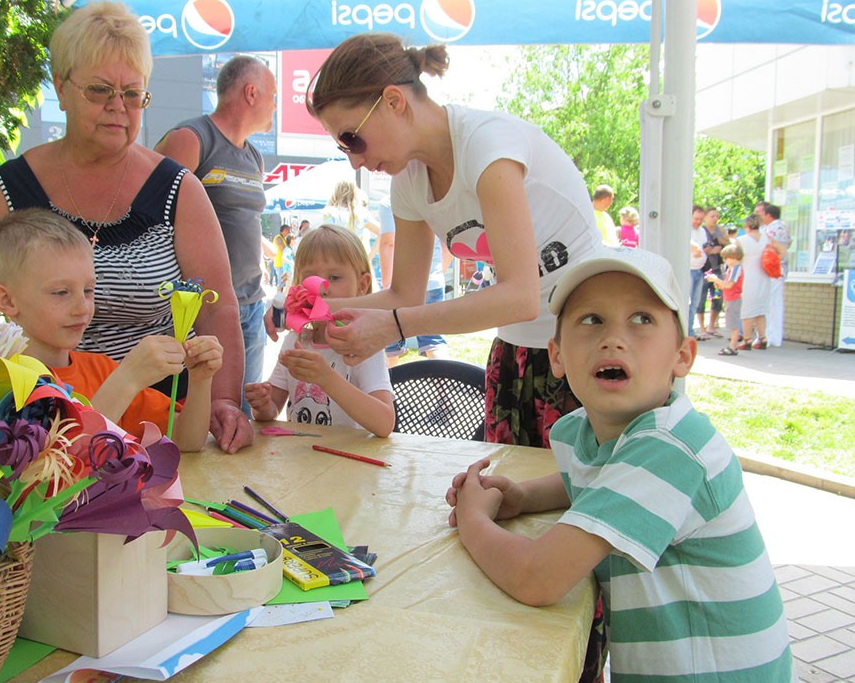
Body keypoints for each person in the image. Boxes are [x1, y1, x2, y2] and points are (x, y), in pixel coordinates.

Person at [0, 0, 252, 454]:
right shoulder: (13, 187)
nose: (118, 107)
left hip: (156, 420)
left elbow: (217, 302)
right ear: (61, 86)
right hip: (39, 420)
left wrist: (227, 401)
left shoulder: (177, 188)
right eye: (99, 90)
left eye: (133, 94)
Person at [446, 247, 805, 683]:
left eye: (641, 319)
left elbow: (538, 578)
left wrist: (472, 518)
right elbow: (598, 479)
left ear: (683, 356)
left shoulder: (673, 446)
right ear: (556, 355)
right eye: (591, 320)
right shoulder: (590, 432)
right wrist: (524, 495)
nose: (614, 338)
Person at [301, 32, 602, 448]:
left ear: (393, 101)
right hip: (516, 348)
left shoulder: (486, 144)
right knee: (509, 494)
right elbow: (405, 294)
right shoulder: (407, 181)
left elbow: (519, 295)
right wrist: (308, 312)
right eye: (343, 147)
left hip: (587, 347)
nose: (354, 159)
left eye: (352, 138)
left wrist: (392, 327)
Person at [0, 209, 222, 451]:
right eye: (61, 292)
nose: (82, 307)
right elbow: (55, 471)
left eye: (88, 290)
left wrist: (200, 380)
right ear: (7, 300)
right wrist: (127, 380)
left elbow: (186, 441)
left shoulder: (101, 370)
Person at [155, 54, 276, 415]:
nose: (275, 105)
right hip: (204, 311)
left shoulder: (255, 157)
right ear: (251, 92)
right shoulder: (191, 138)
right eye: (273, 96)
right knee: (198, 417)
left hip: (251, 307)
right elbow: (154, 219)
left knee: (239, 416)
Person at [245, 224, 394, 436]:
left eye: (334, 277)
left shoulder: (363, 346)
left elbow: (384, 423)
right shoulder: (296, 340)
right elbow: (271, 411)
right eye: (310, 278)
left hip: (352, 463)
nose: (321, 287)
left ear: (363, 284)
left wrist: (326, 378)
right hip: (304, 460)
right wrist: (261, 404)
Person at [376, 197, 450, 365]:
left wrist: (387, 283)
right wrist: (438, 274)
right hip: (432, 280)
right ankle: (444, 390)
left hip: (399, 285)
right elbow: (448, 244)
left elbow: (388, 243)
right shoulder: (432, 200)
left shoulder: (389, 201)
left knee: (390, 345)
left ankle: (388, 387)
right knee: (434, 342)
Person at [738, 212, 786, 351]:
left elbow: (735, 257)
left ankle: (747, 339)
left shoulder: (742, 240)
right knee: (761, 309)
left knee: (747, 310)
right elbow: (782, 250)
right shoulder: (767, 238)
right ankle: (762, 338)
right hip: (764, 277)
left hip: (748, 277)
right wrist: (775, 260)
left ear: (746, 225)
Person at [760, 202, 792, 346]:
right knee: (776, 304)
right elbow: (789, 243)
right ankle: (775, 337)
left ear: (768, 215)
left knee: (768, 303)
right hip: (780, 269)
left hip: (772, 269)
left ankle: (768, 335)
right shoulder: (783, 227)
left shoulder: (771, 229)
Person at [706, 242, 744, 355]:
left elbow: (729, 285)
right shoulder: (732, 269)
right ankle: (732, 345)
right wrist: (719, 284)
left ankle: (733, 346)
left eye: (726, 258)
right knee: (732, 323)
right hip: (730, 298)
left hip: (734, 299)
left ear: (733, 257)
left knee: (734, 324)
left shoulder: (736, 269)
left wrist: (715, 279)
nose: (725, 261)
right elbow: (726, 285)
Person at [698, 206, 729, 338]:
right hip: (704, 269)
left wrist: (722, 244)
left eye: (717, 216)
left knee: (717, 298)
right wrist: (709, 250)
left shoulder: (720, 230)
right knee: (701, 298)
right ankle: (701, 327)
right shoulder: (702, 231)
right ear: (705, 217)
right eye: (712, 216)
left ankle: (712, 326)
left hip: (717, 269)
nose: (715, 219)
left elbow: (729, 246)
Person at [688, 204, 708, 339]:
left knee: (695, 303)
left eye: (701, 219)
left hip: (699, 270)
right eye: (696, 218)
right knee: (687, 302)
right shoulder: (685, 230)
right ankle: (686, 331)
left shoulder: (702, 231)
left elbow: (703, 246)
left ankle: (691, 329)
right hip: (688, 270)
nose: (698, 222)